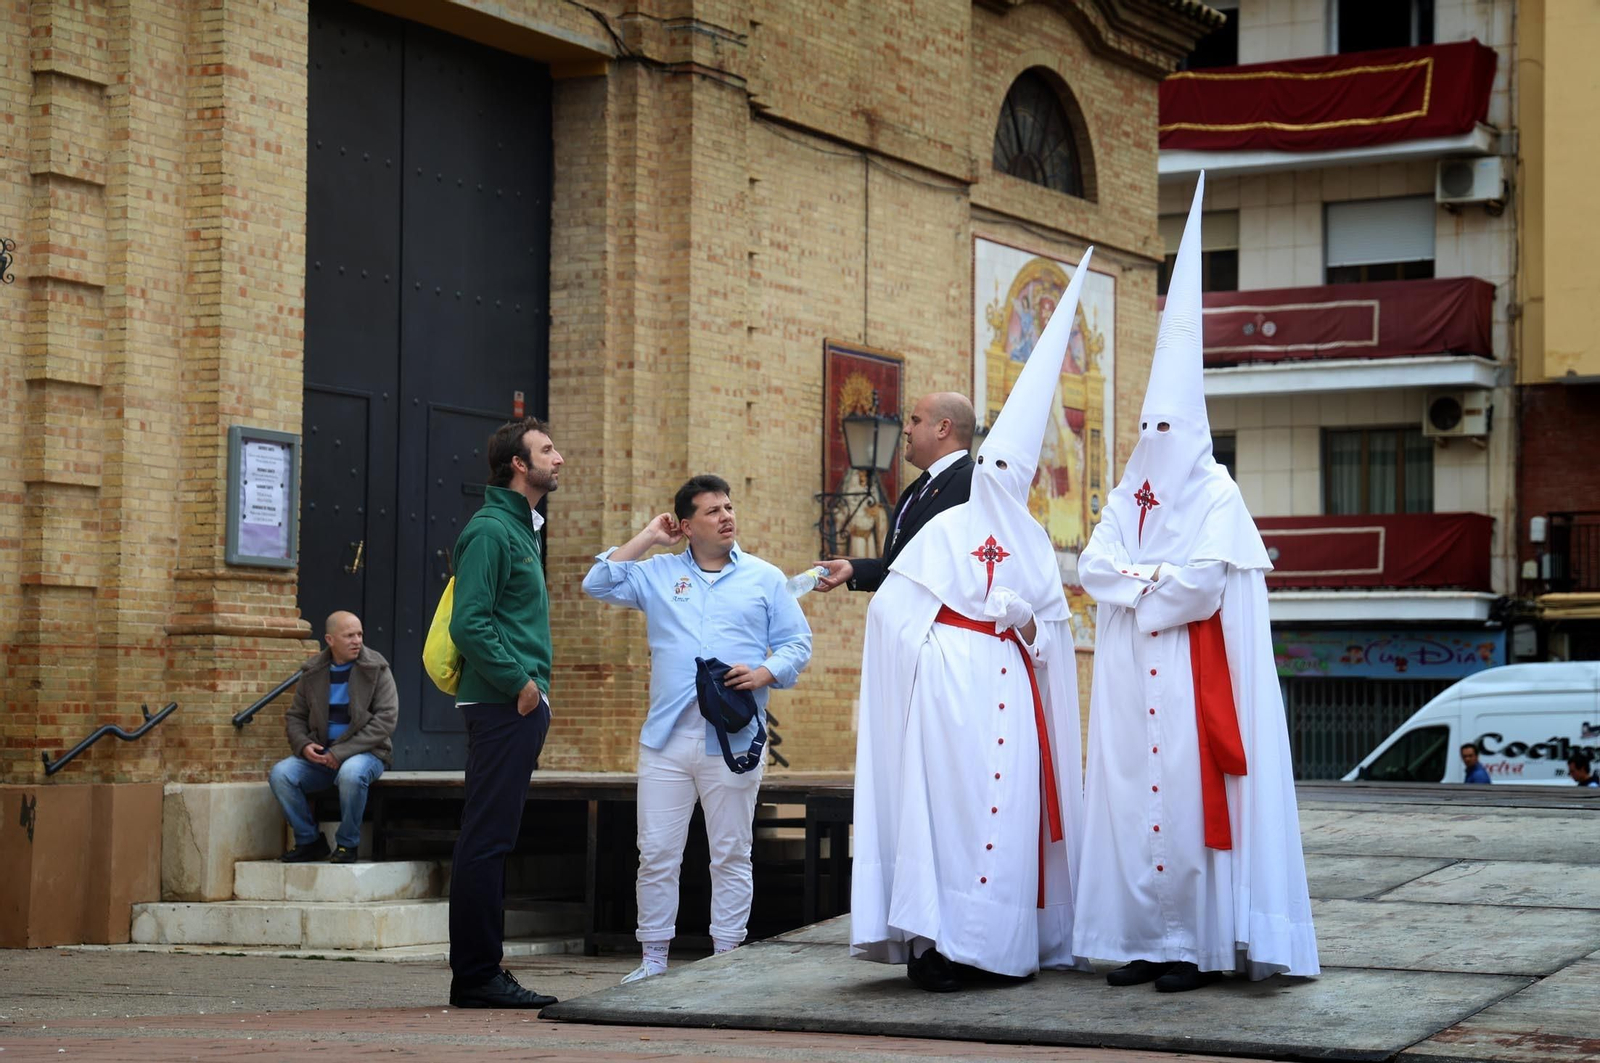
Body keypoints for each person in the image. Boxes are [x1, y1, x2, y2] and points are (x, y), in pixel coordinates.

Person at [1074, 173, 1319, 994]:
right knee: (1127, 799)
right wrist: (1149, 580)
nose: (1154, 437)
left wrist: (1138, 587)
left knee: (1182, 803)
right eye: (1147, 425)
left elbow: (1202, 586)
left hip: (1188, 674)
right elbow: (1091, 565)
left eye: (1167, 426)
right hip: (1128, 678)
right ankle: (1145, 938)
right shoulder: (1127, 490)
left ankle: (1196, 945)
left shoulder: (1217, 491)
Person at [849, 252, 1095, 992]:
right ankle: (941, 940)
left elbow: (1056, 636)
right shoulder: (942, 528)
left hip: (1010, 698)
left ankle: (997, 946)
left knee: (1005, 817)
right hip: (950, 695)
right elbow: (894, 604)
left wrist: (1027, 624)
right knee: (947, 821)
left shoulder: (1035, 545)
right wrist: (931, 653)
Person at [582, 475, 813, 983]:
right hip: (665, 740)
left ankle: (725, 960)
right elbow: (596, 583)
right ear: (686, 526)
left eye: (728, 507)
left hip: (732, 740)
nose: (726, 516)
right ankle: (653, 961)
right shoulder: (658, 573)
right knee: (657, 852)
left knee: (731, 851)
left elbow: (798, 643)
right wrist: (647, 538)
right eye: (712, 511)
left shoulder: (765, 577)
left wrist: (764, 672)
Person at [446, 417, 563, 1010]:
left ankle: (477, 971)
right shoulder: (493, 529)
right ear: (518, 464)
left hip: (512, 702)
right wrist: (521, 684)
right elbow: (470, 621)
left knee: (491, 836)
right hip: (500, 703)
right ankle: (476, 975)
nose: (558, 458)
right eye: (546, 450)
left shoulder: (523, 528)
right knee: (486, 840)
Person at [811, 392, 976, 594]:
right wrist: (853, 569)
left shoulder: (973, 482)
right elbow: (902, 565)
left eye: (915, 421)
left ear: (943, 428)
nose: (907, 430)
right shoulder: (919, 486)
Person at [269, 611, 397, 864]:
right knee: (281, 774)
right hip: (321, 757)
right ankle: (309, 841)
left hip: (367, 754)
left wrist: (340, 753)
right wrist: (304, 746)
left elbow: (386, 719)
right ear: (330, 639)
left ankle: (347, 845)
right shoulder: (313, 671)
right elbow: (295, 716)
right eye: (349, 635)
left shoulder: (377, 668)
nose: (357, 640)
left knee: (351, 774)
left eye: (359, 634)